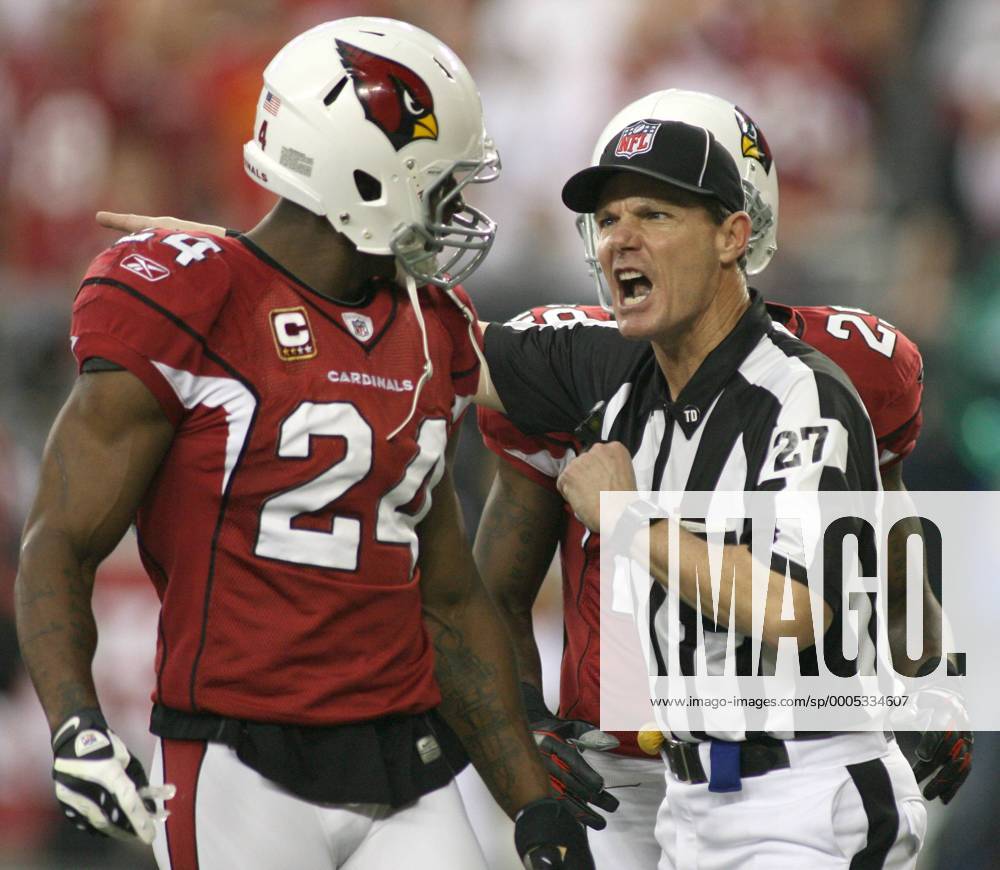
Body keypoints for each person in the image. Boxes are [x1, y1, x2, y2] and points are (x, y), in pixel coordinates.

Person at [14, 18, 596, 870]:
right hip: (239, 764)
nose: (458, 212)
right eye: (440, 186)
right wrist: (76, 723)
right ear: (367, 177)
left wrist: (531, 807)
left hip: (408, 766)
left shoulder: (432, 328)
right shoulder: (193, 297)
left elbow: (447, 595)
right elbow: (58, 539)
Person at [474, 91, 971, 867]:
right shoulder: (602, 368)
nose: (620, 241)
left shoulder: (814, 384)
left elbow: (802, 601)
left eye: (655, 214)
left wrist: (626, 514)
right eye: (607, 220)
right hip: (681, 797)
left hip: (806, 791)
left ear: (736, 231)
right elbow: (414, 346)